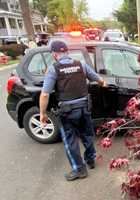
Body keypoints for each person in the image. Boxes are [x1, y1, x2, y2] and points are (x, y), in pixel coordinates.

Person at [39, 40, 106, 181]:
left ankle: (79, 170)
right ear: (67, 52)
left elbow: (45, 94)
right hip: (84, 108)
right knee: (87, 135)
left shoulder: (53, 69)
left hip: (68, 112)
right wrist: (103, 83)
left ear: (54, 54)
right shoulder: (80, 64)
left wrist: (42, 114)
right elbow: (98, 79)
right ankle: (91, 160)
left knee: (71, 141)